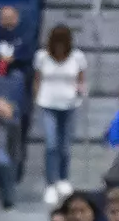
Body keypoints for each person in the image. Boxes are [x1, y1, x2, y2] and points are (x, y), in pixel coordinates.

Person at [33, 24, 86, 204]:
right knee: (51, 144)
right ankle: (50, 184)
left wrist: (80, 89)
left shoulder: (78, 57)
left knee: (64, 145)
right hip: (48, 103)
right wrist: (36, 98)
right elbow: (37, 80)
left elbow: (81, 80)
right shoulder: (41, 57)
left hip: (70, 104)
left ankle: (63, 179)